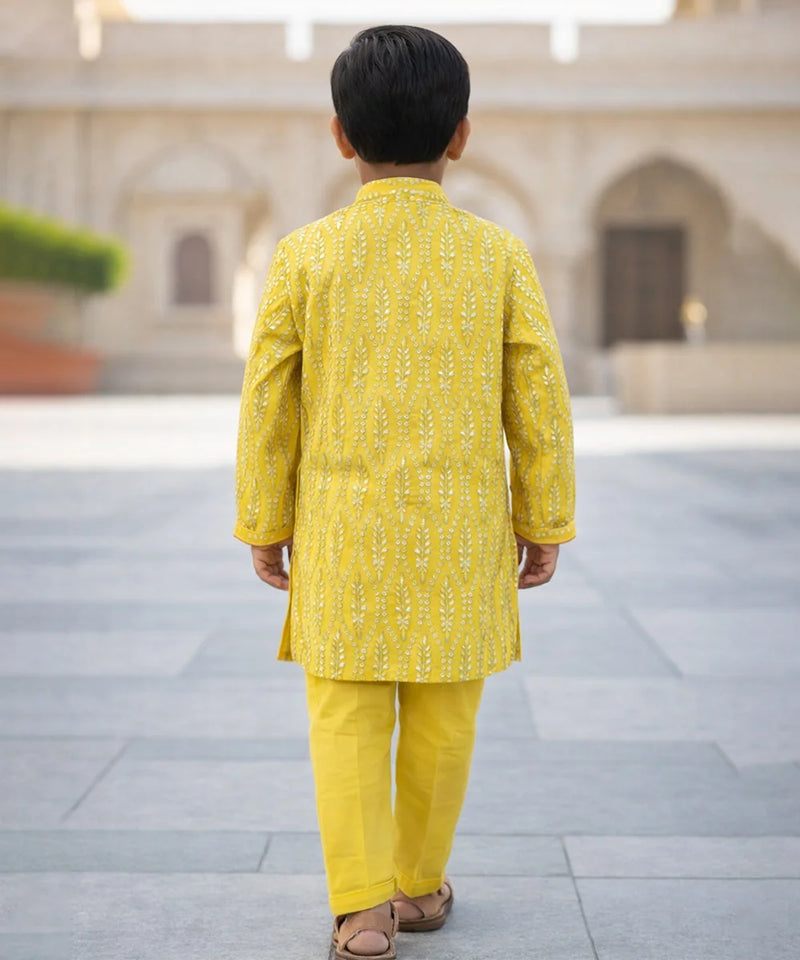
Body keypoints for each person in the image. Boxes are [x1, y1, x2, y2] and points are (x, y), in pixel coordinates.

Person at [233, 24, 576, 960]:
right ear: (460, 135)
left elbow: (271, 400)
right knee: (442, 711)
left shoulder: (306, 255)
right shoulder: (498, 255)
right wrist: (543, 518)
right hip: (460, 534)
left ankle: (360, 910)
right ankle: (418, 889)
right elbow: (536, 394)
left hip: (341, 530)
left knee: (345, 708)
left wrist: (265, 520)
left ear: (340, 135)